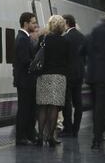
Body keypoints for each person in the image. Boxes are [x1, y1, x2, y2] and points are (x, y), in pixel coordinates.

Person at [36, 15, 70, 147]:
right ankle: (50, 137)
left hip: (43, 76)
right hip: (58, 76)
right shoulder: (66, 41)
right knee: (54, 107)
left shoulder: (43, 39)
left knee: (43, 107)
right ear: (62, 26)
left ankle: (39, 137)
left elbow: (37, 55)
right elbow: (68, 60)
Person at [13, 12, 38, 145]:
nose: (35, 25)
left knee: (28, 108)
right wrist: (36, 62)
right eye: (33, 22)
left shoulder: (24, 37)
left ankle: (29, 134)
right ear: (25, 23)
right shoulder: (23, 38)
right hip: (25, 80)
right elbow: (24, 60)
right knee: (24, 109)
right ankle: (21, 136)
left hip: (25, 80)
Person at [61, 15, 86, 138]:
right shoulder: (82, 37)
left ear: (67, 23)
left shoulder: (66, 38)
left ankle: (68, 129)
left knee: (67, 102)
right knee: (78, 102)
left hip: (68, 74)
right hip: (80, 73)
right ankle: (76, 129)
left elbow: (63, 57)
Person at [88, 11, 105, 149]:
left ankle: (97, 138)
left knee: (100, 107)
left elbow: (90, 51)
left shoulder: (97, 30)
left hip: (100, 76)